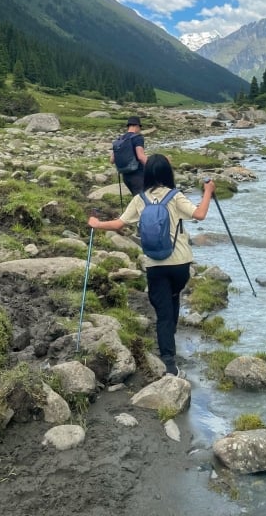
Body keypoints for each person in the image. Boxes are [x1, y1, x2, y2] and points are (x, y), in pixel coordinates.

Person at [88, 154, 216, 377]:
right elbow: (200, 214)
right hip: (180, 263)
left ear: (147, 175)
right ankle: (169, 350)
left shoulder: (140, 199)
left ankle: (169, 359)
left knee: (163, 312)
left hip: (155, 264)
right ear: (168, 173)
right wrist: (207, 192)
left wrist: (96, 224)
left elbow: (119, 223)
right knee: (174, 298)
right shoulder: (175, 196)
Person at [111, 116, 147, 195]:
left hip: (126, 177)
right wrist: (152, 166)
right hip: (138, 176)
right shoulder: (138, 138)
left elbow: (112, 160)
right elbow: (141, 157)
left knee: (137, 199)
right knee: (143, 201)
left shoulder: (120, 139)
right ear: (137, 126)